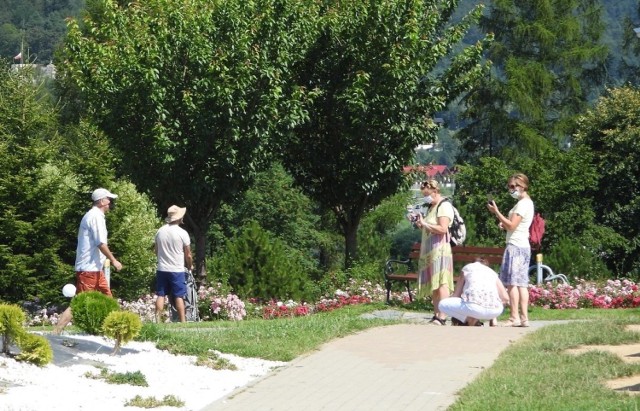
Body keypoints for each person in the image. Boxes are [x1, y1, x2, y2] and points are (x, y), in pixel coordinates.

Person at [54, 188, 123, 334]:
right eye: (108, 199)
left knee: (108, 299)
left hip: (94, 269)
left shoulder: (94, 216)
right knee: (79, 303)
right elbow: (100, 243)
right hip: (88, 269)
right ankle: (56, 331)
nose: (110, 202)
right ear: (101, 201)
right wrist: (114, 260)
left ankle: (117, 330)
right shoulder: (95, 217)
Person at [487, 173, 534, 327]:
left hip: (515, 246)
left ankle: (514, 317)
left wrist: (497, 212)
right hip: (522, 245)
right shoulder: (526, 203)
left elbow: (512, 225)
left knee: (513, 283)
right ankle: (524, 318)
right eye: (510, 187)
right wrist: (504, 225)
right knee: (521, 283)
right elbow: (513, 225)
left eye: (515, 186)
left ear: (523, 186)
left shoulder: (522, 204)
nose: (512, 189)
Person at [414, 179, 454, 325]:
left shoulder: (444, 206)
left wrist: (425, 224)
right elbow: (429, 227)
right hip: (430, 249)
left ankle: (443, 315)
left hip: (440, 249)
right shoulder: (431, 207)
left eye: (427, 194)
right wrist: (421, 224)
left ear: (435, 191)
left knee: (442, 282)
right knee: (434, 284)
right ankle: (436, 313)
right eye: (424, 194)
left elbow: (443, 229)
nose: (426, 197)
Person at [439, 259, 510, 326]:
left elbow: (456, 295)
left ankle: (470, 319)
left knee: (442, 304)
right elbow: (505, 298)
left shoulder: (466, 268)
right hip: (495, 311)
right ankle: (493, 320)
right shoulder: (492, 273)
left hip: (474, 307)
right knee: (482, 302)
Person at [154, 205, 193, 322]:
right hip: (177, 269)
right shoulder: (182, 233)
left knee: (161, 295)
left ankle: (157, 321)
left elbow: (156, 250)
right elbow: (188, 254)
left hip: (162, 268)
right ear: (179, 218)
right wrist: (190, 266)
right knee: (178, 296)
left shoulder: (160, 231)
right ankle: (183, 322)